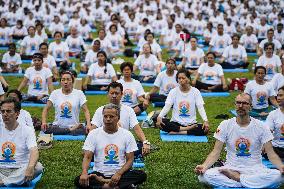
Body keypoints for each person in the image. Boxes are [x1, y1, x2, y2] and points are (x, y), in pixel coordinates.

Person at [195, 93, 284, 189]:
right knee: (204, 176)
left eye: (244, 103)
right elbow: (216, 152)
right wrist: (204, 166)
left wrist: (281, 167)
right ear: (235, 105)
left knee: (278, 176)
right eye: (238, 103)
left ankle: (238, 180)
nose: (240, 106)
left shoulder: (261, 126)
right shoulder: (225, 124)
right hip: (231, 168)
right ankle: (249, 183)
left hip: (255, 169)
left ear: (251, 106)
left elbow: (271, 153)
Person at [75, 103, 147, 189]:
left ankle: (104, 185)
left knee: (141, 175)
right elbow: (87, 157)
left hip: (120, 174)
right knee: (78, 180)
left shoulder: (127, 135)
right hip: (99, 174)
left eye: (111, 117)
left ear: (118, 118)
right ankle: (118, 186)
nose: (108, 119)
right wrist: (84, 173)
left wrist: (119, 174)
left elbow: (130, 160)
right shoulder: (93, 134)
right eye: (105, 116)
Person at [89, 82, 151, 156]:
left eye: (117, 93)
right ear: (107, 94)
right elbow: (92, 130)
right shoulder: (100, 110)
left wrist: (145, 142)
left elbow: (137, 128)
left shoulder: (129, 110)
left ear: (121, 94)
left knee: (141, 147)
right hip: (104, 145)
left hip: (123, 145)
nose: (114, 96)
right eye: (112, 93)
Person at [0, 98, 43, 187]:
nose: (5, 114)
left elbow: (34, 151)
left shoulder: (27, 130)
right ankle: (16, 181)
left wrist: (30, 167)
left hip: (20, 169)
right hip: (1, 169)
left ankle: (3, 182)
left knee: (38, 167)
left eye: (8, 111)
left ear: (17, 113)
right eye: (2, 111)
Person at [156, 68, 209, 135]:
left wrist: (205, 120)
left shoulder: (195, 91)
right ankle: (187, 130)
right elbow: (167, 106)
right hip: (176, 123)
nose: (181, 80)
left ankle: (180, 132)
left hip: (191, 123)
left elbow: (200, 107)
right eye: (179, 78)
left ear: (189, 78)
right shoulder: (173, 91)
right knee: (162, 123)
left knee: (204, 129)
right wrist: (159, 117)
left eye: (183, 78)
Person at [41, 71, 91, 135]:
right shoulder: (55, 93)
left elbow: (86, 110)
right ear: (60, 82)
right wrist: (44, 122)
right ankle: (69, 130)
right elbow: (46, 109)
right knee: (46, 129)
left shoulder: (79, 93)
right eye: (63, 80)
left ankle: (68, 130)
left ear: (72, 81)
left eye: (68, 80)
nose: (65, 82)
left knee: (86, 130)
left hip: (74, 126)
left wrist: (88, 124)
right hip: (57, 126)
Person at [265, 86, 284, 159]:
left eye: (281, 95)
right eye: (278, 95)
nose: (278, 98)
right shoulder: (273, 114)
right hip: (276, 148)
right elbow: (267, 132)